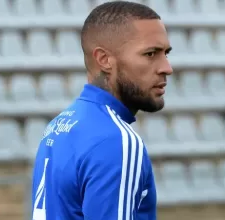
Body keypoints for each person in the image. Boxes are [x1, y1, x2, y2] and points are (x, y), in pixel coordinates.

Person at [31, 1, 173, 219]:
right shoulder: (117, 140)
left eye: (166, 53)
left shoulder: (60, 125)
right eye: (151, 54)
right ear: (105, 60)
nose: (167, 68)